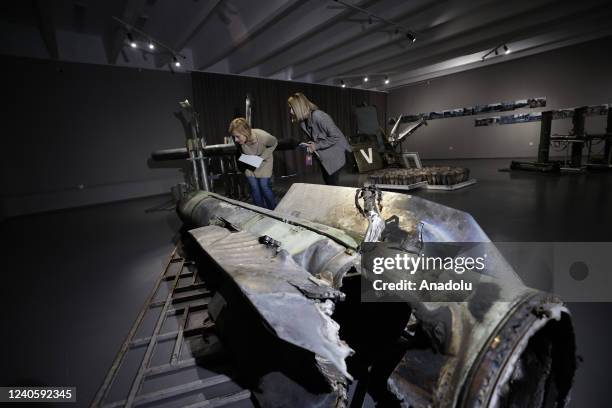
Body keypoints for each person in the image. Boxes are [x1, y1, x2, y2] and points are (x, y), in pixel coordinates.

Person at [288, 92, 351, 185]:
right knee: (328, 182)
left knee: (331, 184)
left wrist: (316, 145)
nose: (290, 111)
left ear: (299, 107)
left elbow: (335, 136)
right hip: (324, 157)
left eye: (291, 108)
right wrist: (311, 144)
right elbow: (316, 138)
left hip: (335, 155)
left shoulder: (318, 116)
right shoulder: (302, 122)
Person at [228, 117, 278, 209]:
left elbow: (275, 142)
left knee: (264, 186)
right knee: (254, 187)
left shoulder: (263, 136)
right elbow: (240, 153)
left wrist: (261, 158)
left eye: (237, 136)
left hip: (264, 162)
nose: (235, 140)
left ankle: (273, 212)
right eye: (234, 137)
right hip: (249, 162)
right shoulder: (239, 141)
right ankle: (260, 213)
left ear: (245, 132)